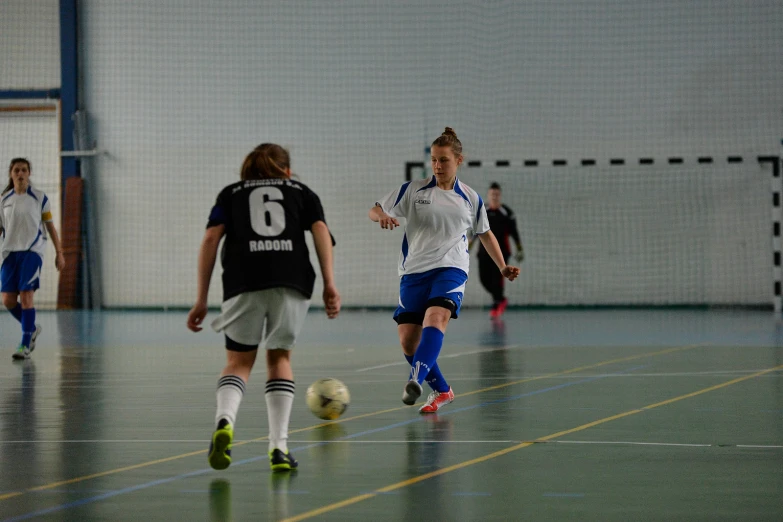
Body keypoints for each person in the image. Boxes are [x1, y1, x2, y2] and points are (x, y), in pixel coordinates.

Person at [187, 143, 340, 472]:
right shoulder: (302, 192)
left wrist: (201, 298)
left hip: (244, 279)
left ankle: (225, 421)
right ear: (287, 170)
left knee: (238, 362)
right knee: (279, 357)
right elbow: (320, 231)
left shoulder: (231, 193)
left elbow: (211, 239)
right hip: (292, 279)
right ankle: (278, 448)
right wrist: (329, 284)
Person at [369, 128, 519, 413]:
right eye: (434, 160)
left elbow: (485, 234)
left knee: (436, 318)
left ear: (459, 160)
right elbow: (374, 209)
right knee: (408, 341)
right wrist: (384, 216)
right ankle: (442, 390)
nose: (437, 166)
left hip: (451, 269)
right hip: (413, 271)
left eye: (444, 160)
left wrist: (502, 266)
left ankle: (416, 379)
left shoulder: (470, 198)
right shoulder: (413, 190)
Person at [1, 158, 65, 360]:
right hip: (9, 253)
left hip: (32, 251)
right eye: (16, 170)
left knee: (26, 295)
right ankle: (32, 328)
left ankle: (24, 344)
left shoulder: (39, 198)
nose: (20, 173)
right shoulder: (4, 200)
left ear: (29, 173)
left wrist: (59, 252)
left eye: (24, 170)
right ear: (11, 174)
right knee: (8, 300)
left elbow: (50, 227)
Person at [469, 182, 524, 318]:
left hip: (502, 252)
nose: (494, 197)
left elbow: (514, 232)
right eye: (492, 194)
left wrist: (519, 249)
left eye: (497, 194)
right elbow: (475, 232)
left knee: (497, 279)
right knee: (484, 279)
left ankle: (496, 303)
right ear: (488, 195)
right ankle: (500, 298)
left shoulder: (507, 213)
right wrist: (468, 246)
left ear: (500, 196)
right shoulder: (482, 211)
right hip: (483, 253)